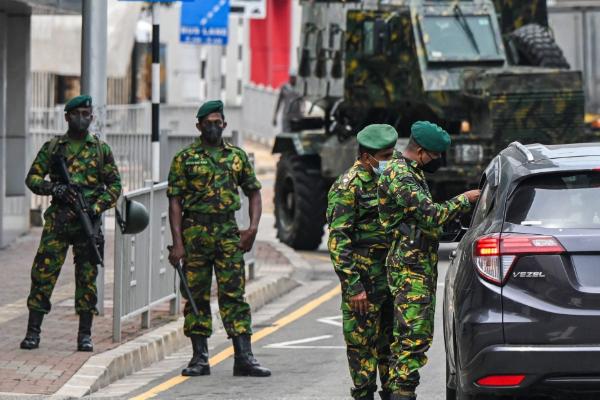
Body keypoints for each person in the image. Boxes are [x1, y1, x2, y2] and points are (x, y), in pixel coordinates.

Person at [377, 121, 481, 400]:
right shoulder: (401, 175)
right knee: (413, 338)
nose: (437, 160)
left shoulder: (410, 171)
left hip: (416, 264)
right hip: (409, 269)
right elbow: (431, 215)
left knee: (408, 337)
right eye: (435, 155)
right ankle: (402, 393)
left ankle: (397, 392)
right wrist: (464, 200)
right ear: (421, 152)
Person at [167, 100, 270, 378]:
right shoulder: (185, 158)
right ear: (198, 126)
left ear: (224, 124)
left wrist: (252, 229)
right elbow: (175, 202)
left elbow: (254, 192)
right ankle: (200, 358)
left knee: (234, 295)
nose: (212, 128)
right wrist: (178, 244)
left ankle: (244, 357)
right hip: (195, 234)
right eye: (207, 123)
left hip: (227, 233)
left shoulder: (237, 157)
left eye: (217, 123)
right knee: (195, 295)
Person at [21, 94, 122, 352]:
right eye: (75, 114)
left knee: (87, 278)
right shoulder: (54, 147)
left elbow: (114, 186)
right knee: (43, 274)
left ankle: (84, 335)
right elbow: (32, 178)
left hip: (88, 224)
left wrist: (95, 208)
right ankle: (33, 332)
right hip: (58, 221)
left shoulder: (100, 150)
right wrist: (55, 188)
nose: (80, 119)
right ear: (66, 117)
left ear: (92, 118)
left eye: (85, 114)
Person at [327, 124, 398, 400]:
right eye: (386, 156)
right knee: (362, 345)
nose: (391, 160)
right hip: (364, 278)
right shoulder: (348, 186)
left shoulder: (392, 180)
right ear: (367, 158)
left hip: (392, 275)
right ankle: (364, 394)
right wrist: (353, 286)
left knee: (392, 343)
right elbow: (338, 240)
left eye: (393, 154)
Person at [273, 68, 302, 132]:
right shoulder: (284, 88)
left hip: (297, 117)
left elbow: (303, 101)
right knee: (286, 134)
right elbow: (279, 102)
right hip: (286, 117)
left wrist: (303, 111)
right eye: (292, 77)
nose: (293, 79)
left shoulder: (299, 88)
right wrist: (275, 117)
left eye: (294, 78)